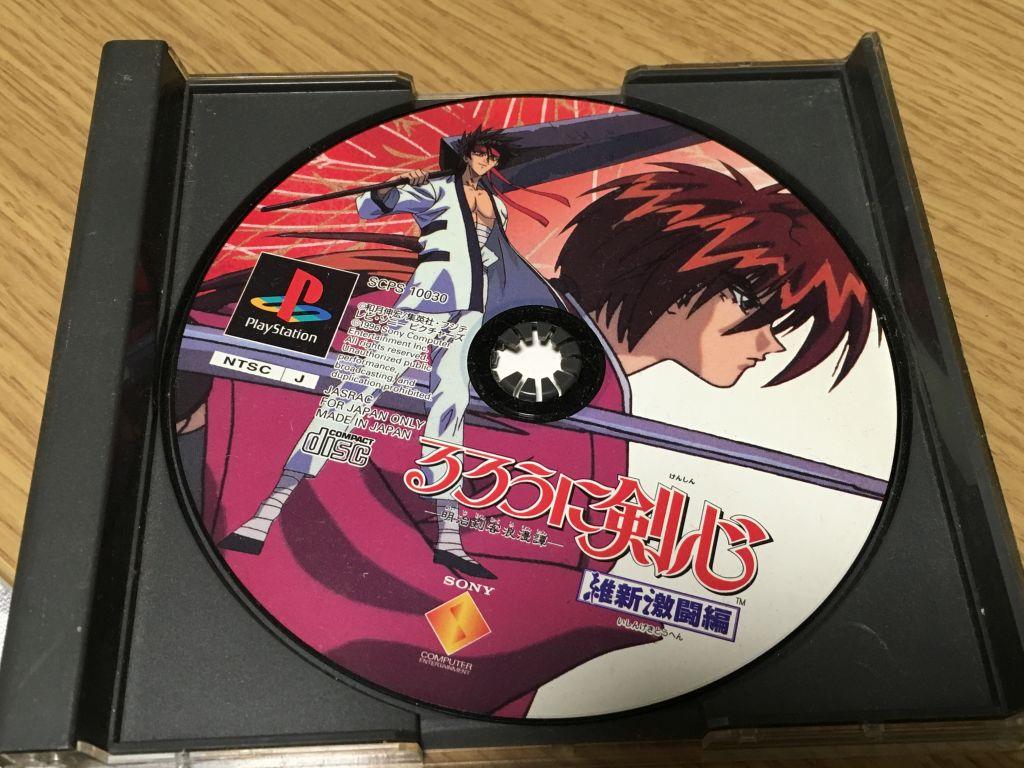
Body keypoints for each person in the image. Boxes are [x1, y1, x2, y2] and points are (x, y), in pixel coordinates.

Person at [218, 127, 561, 578]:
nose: (486, 160)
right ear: (466, 153)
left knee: (451, 408)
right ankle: (266, 513)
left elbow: (491, 258)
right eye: (481, 152)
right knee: (356, 391)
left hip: (470, 312)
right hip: (426, 300)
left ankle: (449, 538)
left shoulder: (497, 207)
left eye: (494, 156)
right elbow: (370, 207)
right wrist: (392, 188)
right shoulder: (436, 189)